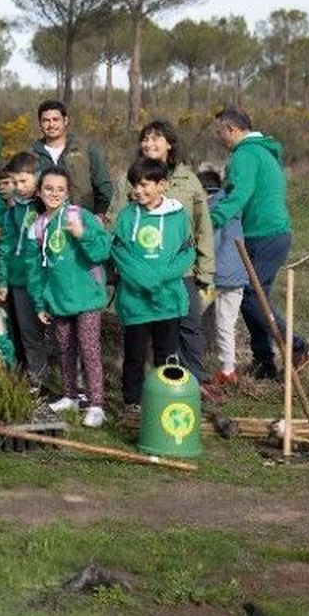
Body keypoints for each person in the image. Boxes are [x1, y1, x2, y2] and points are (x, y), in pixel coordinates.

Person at [209, 106, 309, 379]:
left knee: (252, 296)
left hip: (264, 235)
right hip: (268, 234)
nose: (218, 137)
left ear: (232, 130)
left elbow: (237, 196)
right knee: (253, 297)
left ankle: (298, 346)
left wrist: (208, 220)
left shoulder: (245, 155)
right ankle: (264, 362)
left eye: (220, 131)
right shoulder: (261, 152)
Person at [123, 120, 214, 381]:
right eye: (145, 138)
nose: (149, 144)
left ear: (170, 144)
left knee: (189, 326)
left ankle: (195, 383)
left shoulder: (188, 180)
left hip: (180, 271)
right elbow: (117, 222)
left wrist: (206, 271)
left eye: (156, 138)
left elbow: (202, 227)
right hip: (141, 273)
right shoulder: (130, 179)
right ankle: (152, 390)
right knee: (146, 334)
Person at [111, 157, 196, 423]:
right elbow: (120, 254)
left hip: (167, 301)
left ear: (163, 185)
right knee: (134, 355)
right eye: (135, 185)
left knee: (167, 354)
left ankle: (164, 400)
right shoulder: (126, 216)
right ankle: (132, 403)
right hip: (136, 302)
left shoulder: (178, 216)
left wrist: (159, 279)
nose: (138, 190)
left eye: (145, 185)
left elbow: (186, 253)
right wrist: (147, 281)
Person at [30, 166, 112, 428]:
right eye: (48, 188)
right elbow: (38, 270)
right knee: (65, 349)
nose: (54, 193)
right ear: (39, 192)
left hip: (87, 297)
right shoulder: (40, 225)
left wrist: (82, 234)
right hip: (58, 298)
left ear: (67, 192)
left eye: (60, 189)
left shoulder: (81, 215)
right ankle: (70, 395)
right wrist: (41, 302)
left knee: (89, 349)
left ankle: (97, 404)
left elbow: (101, 251)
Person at [0, 152, 50, 388]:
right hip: (15, 280)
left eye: (23, 181)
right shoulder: (13, 210)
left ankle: (37, 381)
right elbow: (6, 245)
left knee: (32, 335)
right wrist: (2, 280)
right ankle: (19, 378)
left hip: (37, 280)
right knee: (15, 332)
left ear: (37, 178)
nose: (18, 188)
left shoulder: (44, 207)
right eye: (14, 182)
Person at [199, 167, 248, 387]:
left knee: (188, 318)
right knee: (226, 324)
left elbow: (212, 244)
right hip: (238, 274)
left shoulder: (211, 210)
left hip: (215, 277)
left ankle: (187, 364)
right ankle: (228, 370)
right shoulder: (233, 206)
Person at [29, 100, 114, 219]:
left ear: (65, 121)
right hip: (45, 224)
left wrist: (99, 215)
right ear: (39, 124)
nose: (51, 125)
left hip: (84, 221)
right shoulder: (31, 156)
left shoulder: (86, 149)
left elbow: (103, 184)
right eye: (46, 120)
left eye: (55, 119)